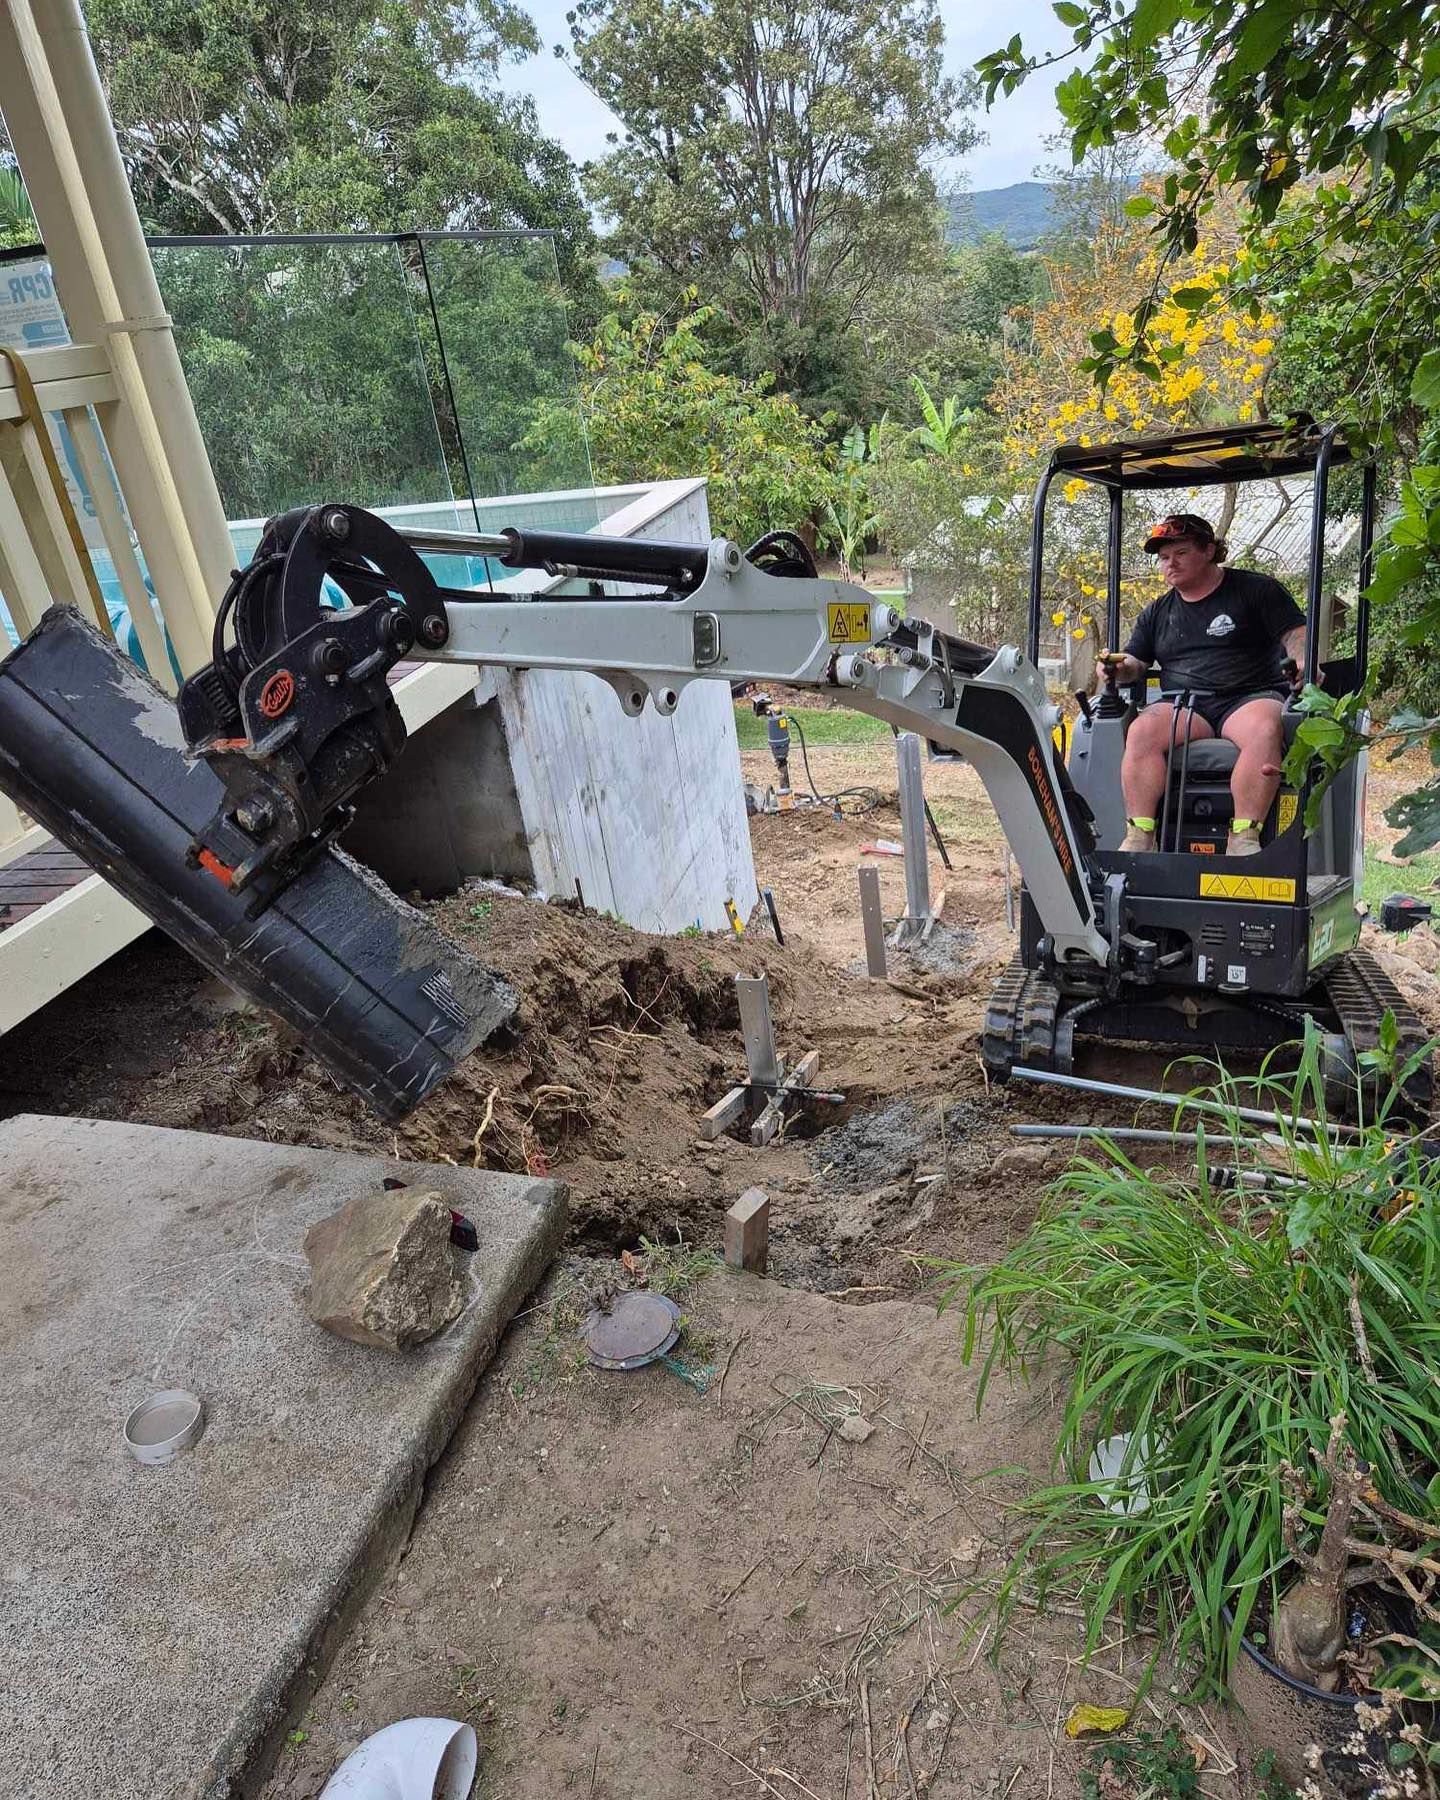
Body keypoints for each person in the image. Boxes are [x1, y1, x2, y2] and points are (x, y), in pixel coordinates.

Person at [1097, 513, 1306, 856]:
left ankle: (1243, 838)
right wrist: (1117, 669)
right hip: (1187, 705)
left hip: (1249, 697)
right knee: (1141, 731)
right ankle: (1140, 836)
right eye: (1164, 557)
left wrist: (1302, 661)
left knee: (1265, 729)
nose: (1170, 564)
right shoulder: (1157, 612)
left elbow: (1296, 634)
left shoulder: (1256, 590)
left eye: (1181, 553)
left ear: (1209, 551)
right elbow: (1135, 663)